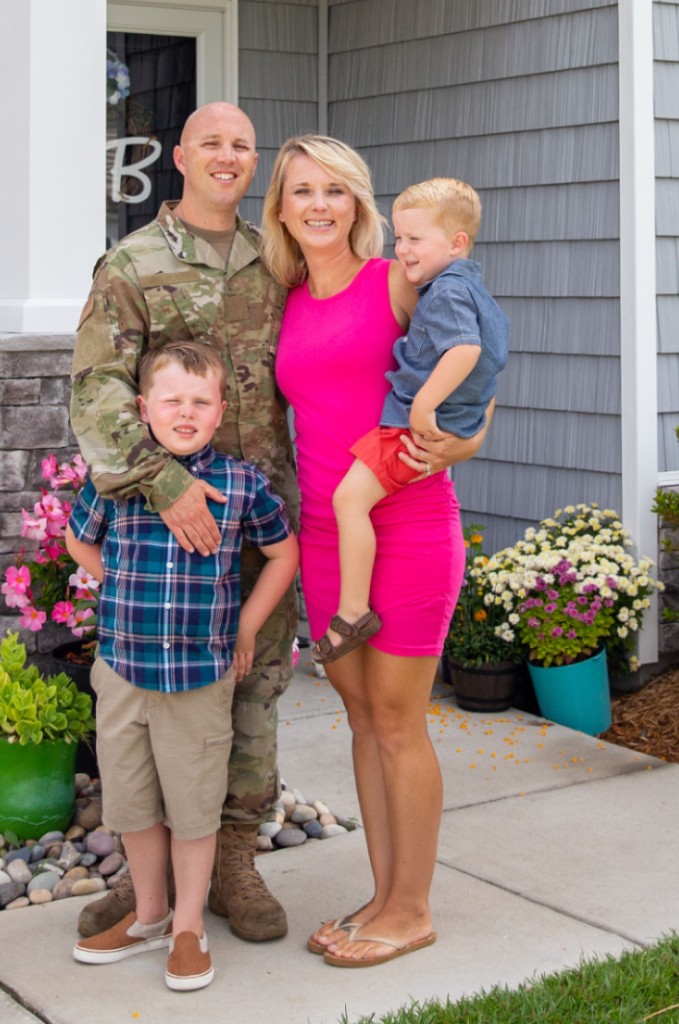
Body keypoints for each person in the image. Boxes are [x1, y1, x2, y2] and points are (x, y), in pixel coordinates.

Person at [70, 102, 300, 945]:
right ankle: (148, 883)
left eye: (243, 144)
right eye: (212, 142)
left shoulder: (277, 262)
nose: (229, 156)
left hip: (259, 515)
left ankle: (233, 861)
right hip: (163, 529)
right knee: (150, 700)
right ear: (180, 157)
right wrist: (164, 485)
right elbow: (95, 389)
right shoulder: (131, 262)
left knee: (254, 685)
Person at [262, 135, 493, 967]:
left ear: (357, 202)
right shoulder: (282, 297)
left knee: (398, 723)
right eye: (301, 191)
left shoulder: (396, 279)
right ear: (281, 208)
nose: (318, 204)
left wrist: (458, 446)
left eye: (334, 190)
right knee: (360, 721)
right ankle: (383, 892)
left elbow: (480, 374)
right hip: (328, 540)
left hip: (406, 528)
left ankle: (412, 908)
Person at [67, 343, 299, 990]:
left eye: (201, 402)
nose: (186, 412)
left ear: (221, 409)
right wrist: (113, 583)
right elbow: (75, 538)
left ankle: (189, 927)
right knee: (133, 803)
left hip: (199, 674)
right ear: (143, 409)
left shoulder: (241, 483)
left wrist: (246, 626)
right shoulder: (114, 479)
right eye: (172, 400)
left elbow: (283, 554)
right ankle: (148, 915)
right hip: (120, 667)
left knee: (195, 809)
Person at [312, 177, 509, 663]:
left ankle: (354, 611)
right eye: (398, 238)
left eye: (414, 239)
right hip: (445, 425)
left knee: (348, 500)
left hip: (410, 428)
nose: (402, 249)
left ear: (457, 242)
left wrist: (423, 406)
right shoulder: (477, 292)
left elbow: (464, 350)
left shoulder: (444, 295)